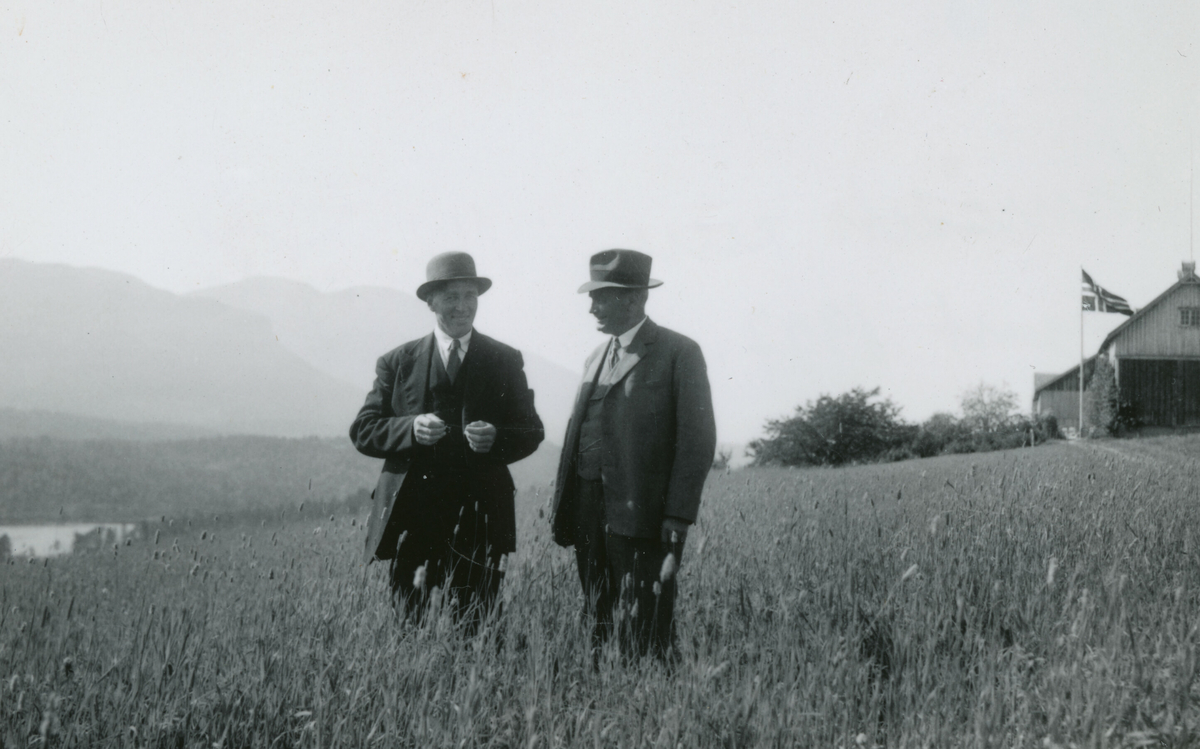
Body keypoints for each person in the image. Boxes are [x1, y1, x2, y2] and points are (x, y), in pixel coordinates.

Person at [350, 251, 544, 630]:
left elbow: (531, 430)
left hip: (481, 519)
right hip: (414, 518)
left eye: (470, 296)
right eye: (452, 297)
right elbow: (363, 428)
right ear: (430, 301)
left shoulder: (505, 360)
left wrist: (497, 438)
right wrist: (409, 429)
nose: (462, 307)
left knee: (479, 628)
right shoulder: (397, 361)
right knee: (410, 627)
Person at [551, 249, 716, 663]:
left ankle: (652, 700)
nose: (591, 308)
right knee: (597, 613)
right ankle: (604, 693)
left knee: (647, 620)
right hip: (588, 507)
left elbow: (697, 439)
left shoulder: (679, 352)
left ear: (635, 298)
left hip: (646, 515)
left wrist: (678, 515)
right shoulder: (595, 357)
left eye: (600, 297)